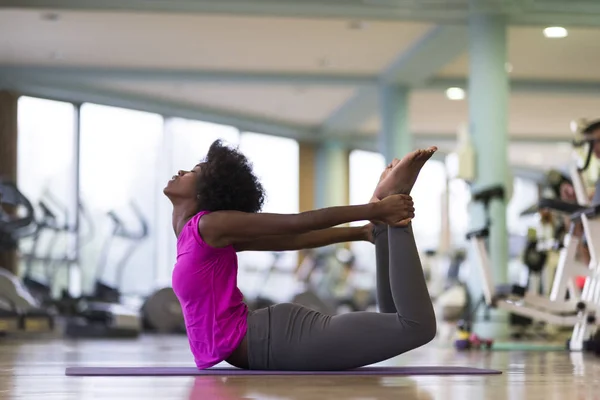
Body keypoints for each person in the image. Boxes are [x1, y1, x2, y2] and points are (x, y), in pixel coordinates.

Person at [163, 139, 438, 371]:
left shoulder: (210, 224)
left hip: (276, 339)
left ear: (205, 190)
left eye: (192, 172)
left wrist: (372, 211)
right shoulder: (195, 236)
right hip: (270, 338)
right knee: (395, 323)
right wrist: (360, 232)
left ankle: (396, 199)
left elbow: (297, 222)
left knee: (416, 327)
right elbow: (291, 240)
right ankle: (381, 227)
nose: (180, 171)